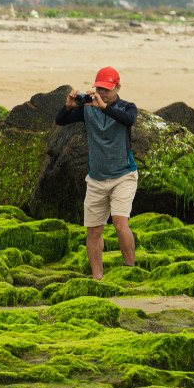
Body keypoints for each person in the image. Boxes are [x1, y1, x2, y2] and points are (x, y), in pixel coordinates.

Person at [54, 66, 138, 280]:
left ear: (118, 87)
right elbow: (60, 121)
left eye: (107, 89)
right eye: (99, 88)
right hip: (96, 178)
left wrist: (104, 107)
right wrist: (68, 106)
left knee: (120, 224)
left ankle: (129, 269)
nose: (102, 93)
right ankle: (97, 277)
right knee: (93, 230)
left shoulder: (127, 107)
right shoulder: (87, 108)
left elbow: (129, 120)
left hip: (123, 176)